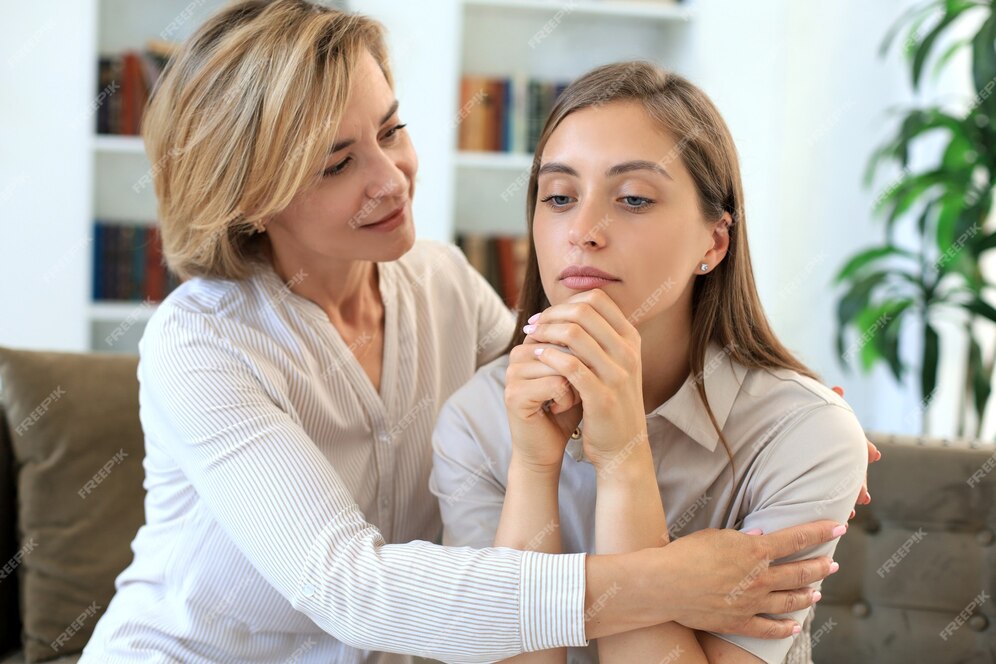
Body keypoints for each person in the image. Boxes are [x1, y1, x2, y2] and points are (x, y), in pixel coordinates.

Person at [80, 3, 863, 663]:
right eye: (336, 164)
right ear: (248, 196)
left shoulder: (440, 280)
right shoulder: (203, 343)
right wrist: (667, 580)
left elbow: (560, 371)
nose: (390, 178)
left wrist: (789, 408)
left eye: (391, 130)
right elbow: (350, 588)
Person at [430, 62, 869, 664]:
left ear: (714, 243)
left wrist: (623, 457)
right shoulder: (478, 419)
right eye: (558, 197)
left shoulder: (803, 434)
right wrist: (533, 467)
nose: (582, 231)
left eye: (633, 198)